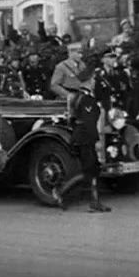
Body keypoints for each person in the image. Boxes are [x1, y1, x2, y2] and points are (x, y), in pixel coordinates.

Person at [52, 82, 111, 213]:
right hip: (85, 139)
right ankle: (60, 192)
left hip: (82, 137)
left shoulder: (79, 98)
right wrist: (96, 140)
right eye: (92, 81)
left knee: (93, 169)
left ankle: (95, 201)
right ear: (88, 84)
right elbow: (89, 123)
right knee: (88, 171)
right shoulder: (86, 100)